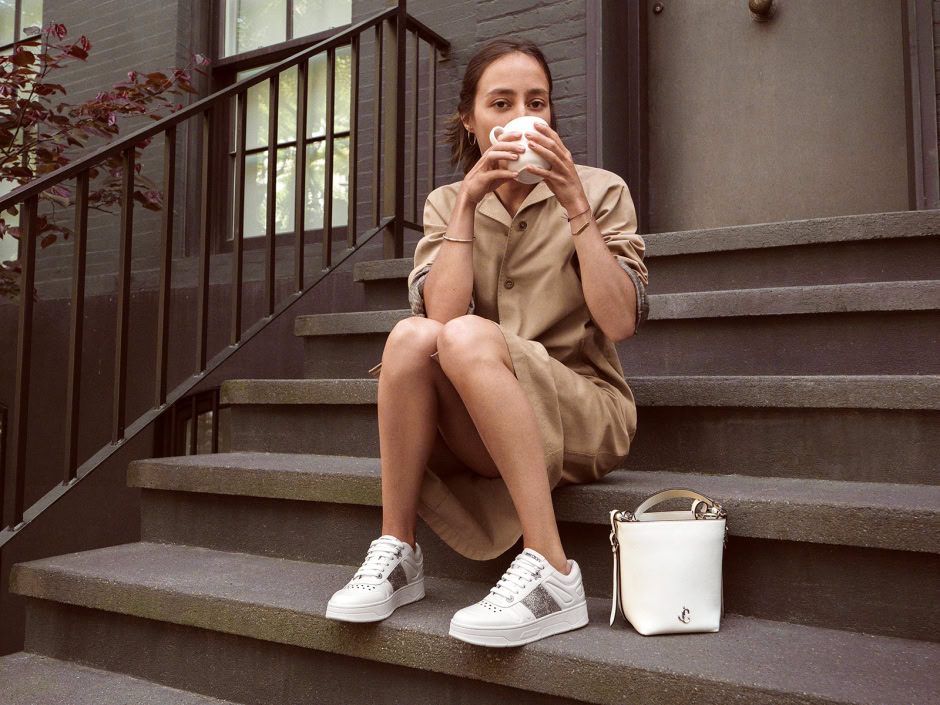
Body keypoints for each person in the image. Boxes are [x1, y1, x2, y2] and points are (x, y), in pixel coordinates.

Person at [325, 37, 649, 648]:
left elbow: (620, 321)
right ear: (471, 123)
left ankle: (552, 569)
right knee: (411, 334)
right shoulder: (448, 203)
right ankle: (398, 551)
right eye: (500, 103)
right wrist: (469, 207)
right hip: (483, 412)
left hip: (584, 410)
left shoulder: (601, 190)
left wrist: (575, 204)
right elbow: (441, 319)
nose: (521, 116)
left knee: (465, 336)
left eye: (537, 102)